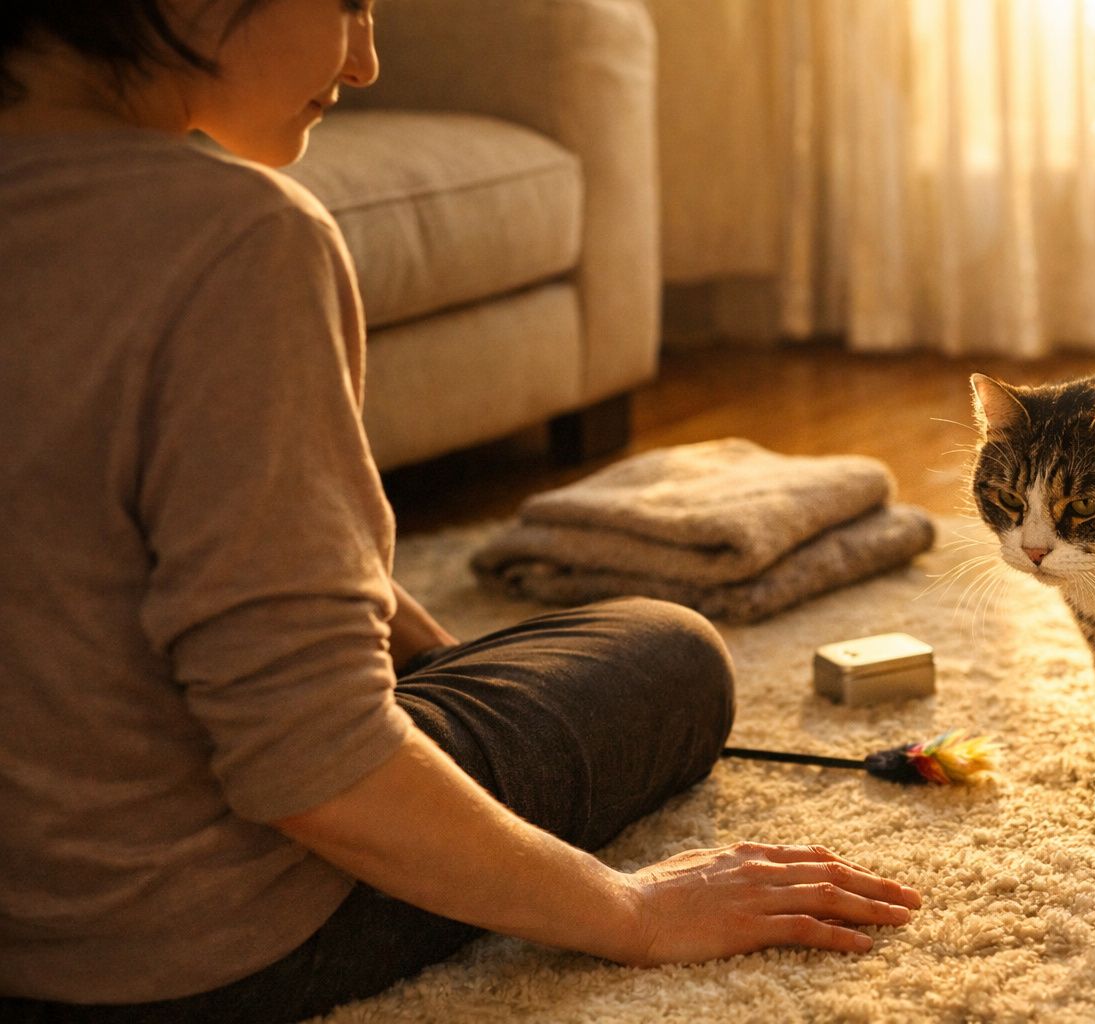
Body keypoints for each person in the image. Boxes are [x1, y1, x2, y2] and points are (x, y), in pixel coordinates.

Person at [0, 1, 923, 1020]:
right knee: (670, 653)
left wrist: (440, 663)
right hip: (176, 948)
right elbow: (309, 765)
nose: (365, 62)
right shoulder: (235, 238)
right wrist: (633, 910)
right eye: (349, 5)